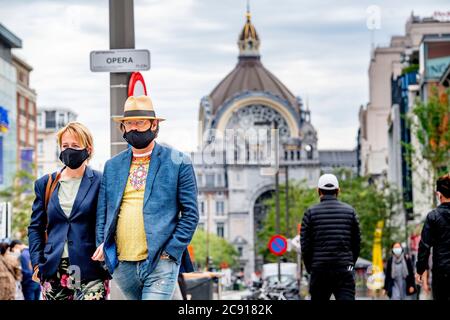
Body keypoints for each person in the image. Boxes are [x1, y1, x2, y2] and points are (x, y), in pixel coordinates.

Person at [94, 95, 199, 300]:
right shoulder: (112, 166)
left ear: (154, 125)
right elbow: (103, 212)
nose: (134, 128)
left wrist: (170, 252)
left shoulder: (178, 162)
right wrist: (104, 248)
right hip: (122, 265)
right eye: (129, 123)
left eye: (140, 122)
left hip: (160, 262)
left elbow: (191, 214)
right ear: (123, 128)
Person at [28, 122, 109, 300]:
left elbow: (110, 220)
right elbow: (35, 227)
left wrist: (107, 245)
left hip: (90, 268)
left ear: (88, 149)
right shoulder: (46, 183)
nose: (69, 150)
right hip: (53, 268)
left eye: (75, 146)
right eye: (65, 146)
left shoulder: (101, 181)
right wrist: (36, 264)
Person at [300, 173, 361, 300]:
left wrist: (311, 267)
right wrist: (350, 263)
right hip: (344, 269)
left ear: (318, 191)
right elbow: (356, 243)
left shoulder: (310, 213)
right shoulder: (350, 212)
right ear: (338, 191)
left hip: (319, 269)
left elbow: (305, 246)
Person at [416, 173, 450, 300]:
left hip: (441, 271)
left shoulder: (433, 216)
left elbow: (424, 246)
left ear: (439, 194)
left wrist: (420, 270)